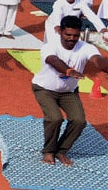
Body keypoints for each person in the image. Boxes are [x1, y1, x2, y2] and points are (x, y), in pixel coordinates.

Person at [32, 15, 108, 166]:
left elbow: (97, 60)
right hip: (45, 89)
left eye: (75, 35)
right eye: (68, 35)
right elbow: (52, 60)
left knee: (79, 121)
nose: (71, 39)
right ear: (60, 31)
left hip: (68, 92)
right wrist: (68, 71)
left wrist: (104, 66)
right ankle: (49, 151)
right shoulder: (50, 46)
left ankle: (61, 151)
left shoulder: (86, 47)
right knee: (55, 118)